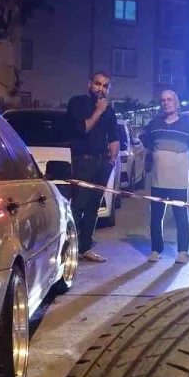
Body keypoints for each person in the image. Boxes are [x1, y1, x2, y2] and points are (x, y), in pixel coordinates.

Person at [139, 88, 189, 264]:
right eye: (163, 100)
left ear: (176, 103)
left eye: (169, 99)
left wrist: (183, 168)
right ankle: (155, 250)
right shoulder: (154, 124)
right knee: (156, 217)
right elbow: (148, 148)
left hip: (180, 182)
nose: (165, 102)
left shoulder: (187, 125)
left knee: (181, 218)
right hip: (158, 180)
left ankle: (183, 251)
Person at [66, 71, 119, 263]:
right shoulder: (78, 103)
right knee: (78, 205)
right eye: (98, 84)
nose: (101, 89)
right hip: (83, 160)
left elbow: (114, 138)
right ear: (89, 84)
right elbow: (83, 128)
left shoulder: (110, 111)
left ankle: (85, 247)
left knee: (93, 207)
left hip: (102, 163)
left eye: (105, 86)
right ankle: (69, 246)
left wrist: (111, 162)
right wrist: (98, 110)